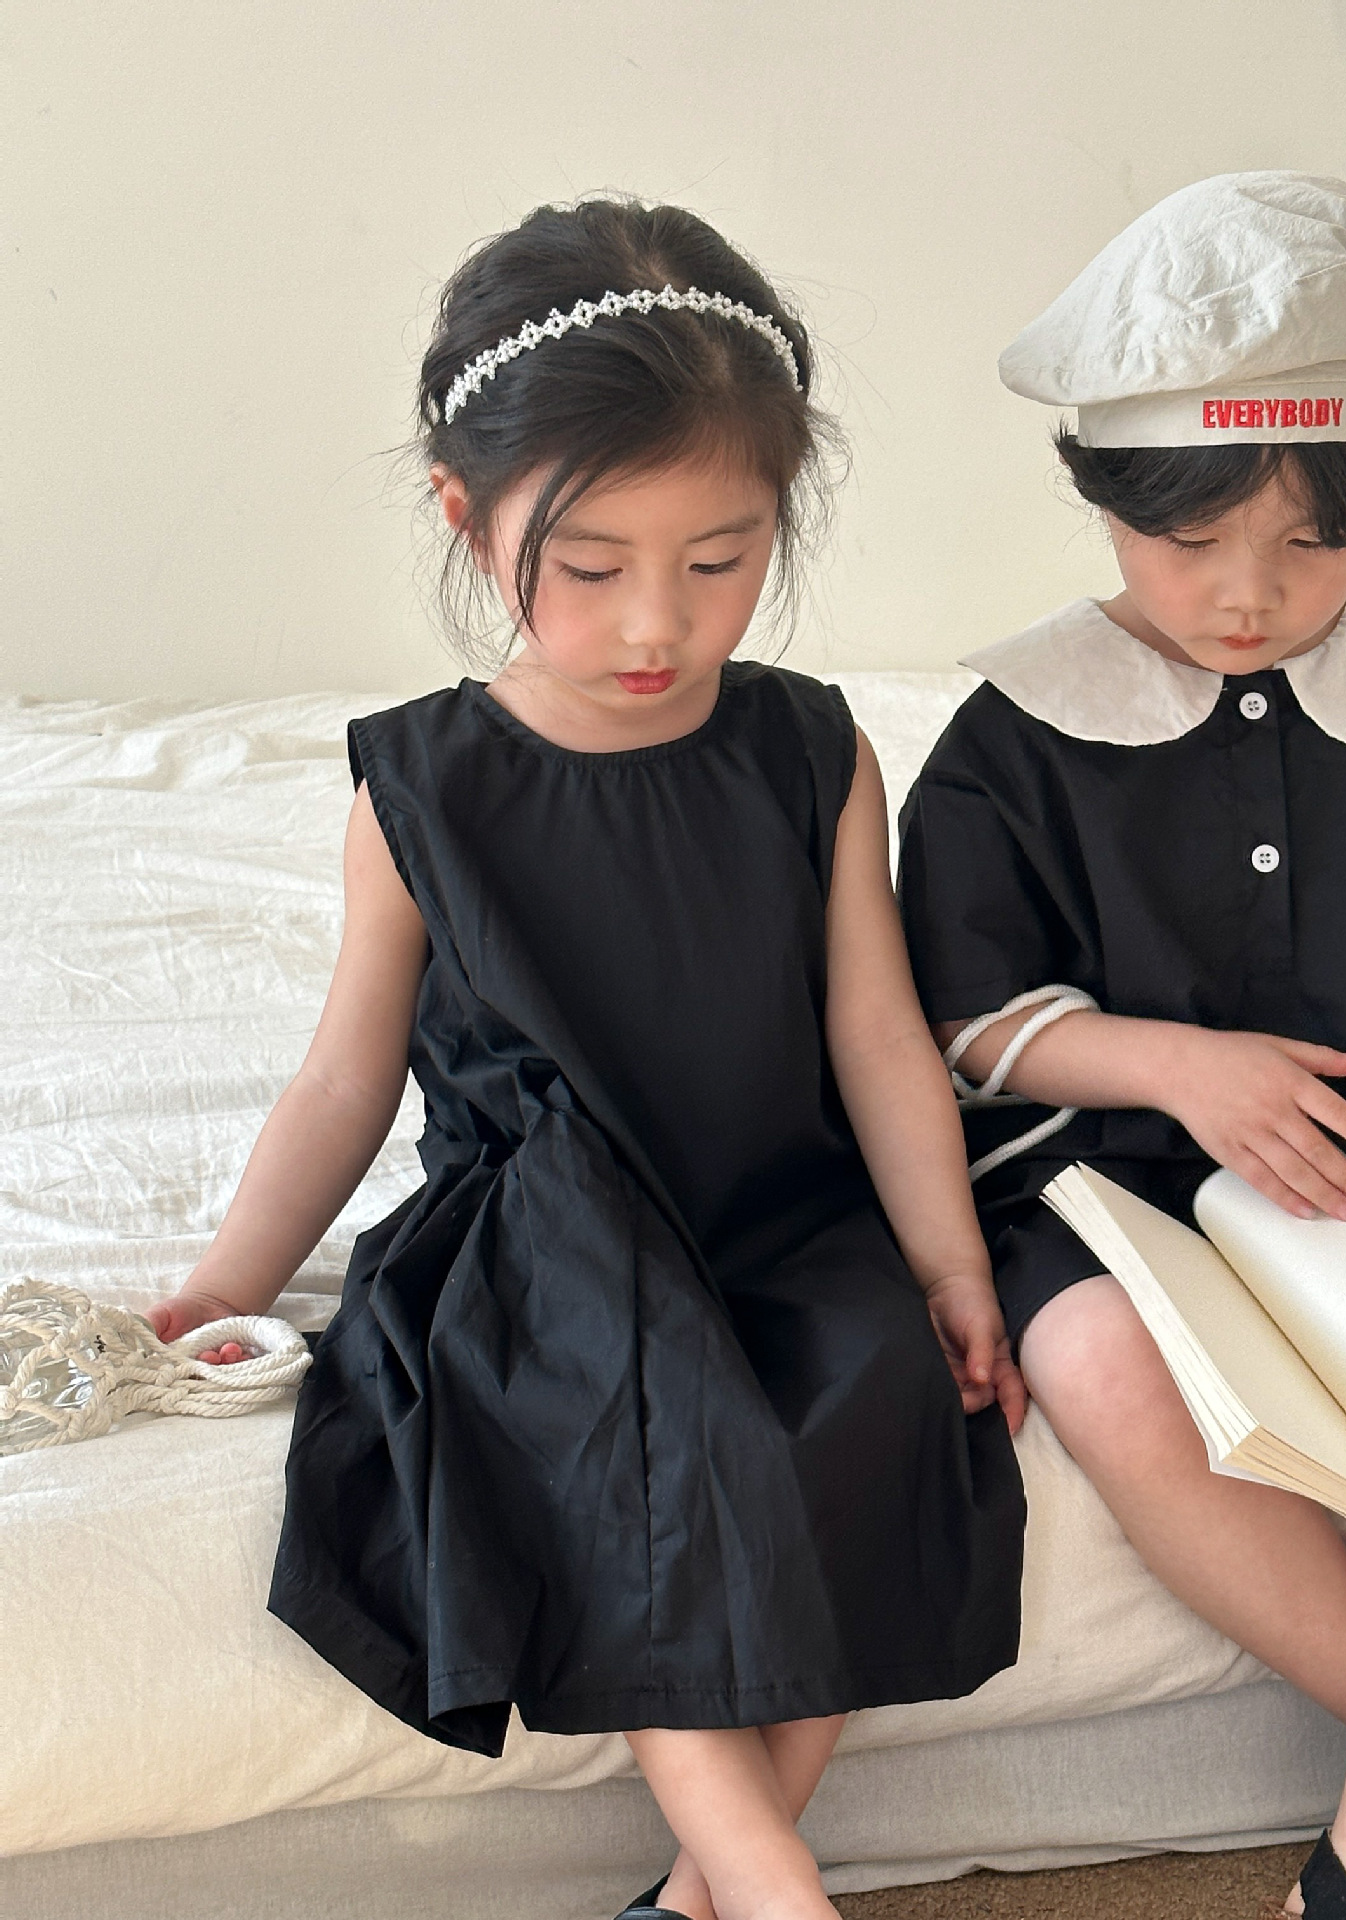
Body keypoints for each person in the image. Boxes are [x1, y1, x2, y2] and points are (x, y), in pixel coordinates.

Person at [144, 196, 1026, 1920]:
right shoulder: (425, 786)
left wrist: (946, 1262)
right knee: (654, 1440)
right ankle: (775, 1889)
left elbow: (874, 1031)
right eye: (594, 567)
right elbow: (345, 1078)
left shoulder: (810, 748)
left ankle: (702, 1897)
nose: (655, 627)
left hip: (772, 1204)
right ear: (464, 518)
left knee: (879, 1416)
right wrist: (230, 1279)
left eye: (720, 563)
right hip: (545, 1239)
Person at [897, 174, 1346, 1920]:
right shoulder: (1015, 737)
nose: (1249, 596)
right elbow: (967, 1021)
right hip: (1104, 1168)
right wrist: (1173, 1065)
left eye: (1312, 546)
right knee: (1102, 1372)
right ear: (1107, 499)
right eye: (1194, 543)